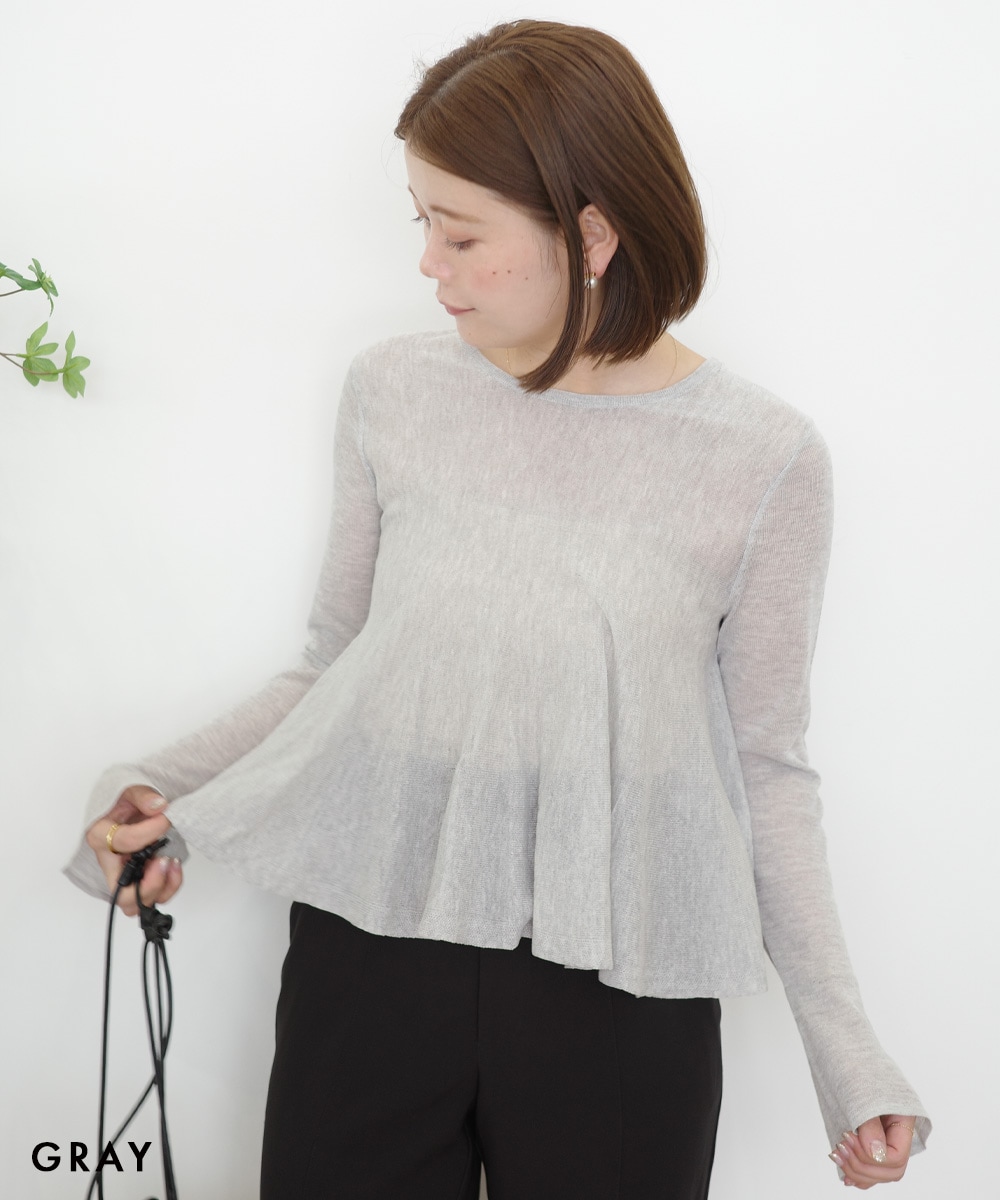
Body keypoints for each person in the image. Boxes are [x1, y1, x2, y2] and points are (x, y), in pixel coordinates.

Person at [65, 18, 931, 1198]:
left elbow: (765, 766)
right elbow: (340, 666)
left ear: (592, 234)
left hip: (623, 990)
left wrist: (848, 1054)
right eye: (420, 222)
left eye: (461, 232)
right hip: (370, 957)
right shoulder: (395, 391)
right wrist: (162, 793)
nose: (430, 264)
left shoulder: (764, 457)